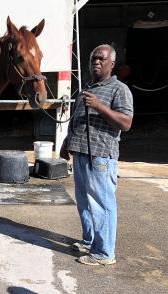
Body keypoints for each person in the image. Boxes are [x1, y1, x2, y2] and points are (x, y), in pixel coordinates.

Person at [60, 44, 134, 266]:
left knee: (102, 204)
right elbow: (77, 120)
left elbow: (126, 123)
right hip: (81, 154)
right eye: (94, 58)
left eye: (101, 58)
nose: (96, 61)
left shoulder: (119, 89)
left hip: (100, 158)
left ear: (112, 63)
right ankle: (90, 240)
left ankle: (104, 253)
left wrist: (100, 106)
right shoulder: (86, 88)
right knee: (84, 202)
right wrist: (66, 143)